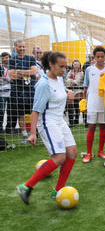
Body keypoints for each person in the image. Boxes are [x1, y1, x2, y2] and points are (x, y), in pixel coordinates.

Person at [16, 51, 77, 204]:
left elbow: (57, 92)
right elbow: (36, 110)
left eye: (65, 66)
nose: (64, 70)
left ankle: (57, 191)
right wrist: (32, 133)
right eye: (61, 66)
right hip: (47, 122)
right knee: (59, 157)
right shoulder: (43, 83)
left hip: (59, 120)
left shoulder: (59, 78)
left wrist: (67, 93)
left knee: (72, 152)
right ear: (51, 64)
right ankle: (26, 187)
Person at [82, 46, 105, 163]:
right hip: (92, 103)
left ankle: (101, 151)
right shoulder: (89, 70)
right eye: (97, 56)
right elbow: (85, 87)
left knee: (103, 126)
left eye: (102, 56)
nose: (99, 59)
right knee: (91, 126)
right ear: (94, 57)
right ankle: (88, 153)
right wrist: (84, 103)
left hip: (103, 103)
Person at [7, 40, 37, 143]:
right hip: (18, 89)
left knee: (35, 111)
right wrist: (27, 72)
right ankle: (24, 135)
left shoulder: (31, 58)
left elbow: (34, 72)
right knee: (20, 114)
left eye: (23, 47)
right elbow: (12, 75)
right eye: (20, 47)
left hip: (30, 89)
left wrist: (19, 71)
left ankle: (35, 133)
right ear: (16, 47)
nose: (22, 49)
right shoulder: (12, 60)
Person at [65, 59, 84, 127]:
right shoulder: (70, 72)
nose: (76, 65)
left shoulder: (81, 73)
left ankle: (76, 118)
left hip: (79, 90)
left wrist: (71, 80)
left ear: (79, 65)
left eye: (77, 64)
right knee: (70, 104)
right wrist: (72, 80)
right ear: (72, 65)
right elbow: (66, 81)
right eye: (75, 64)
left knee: (76, 104)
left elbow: (77, 82)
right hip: (70, 89)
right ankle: (71, 121)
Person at [0, 52, 11, 133]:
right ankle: (0, 128)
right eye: (3, 58)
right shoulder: (0, 67)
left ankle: (9, 128)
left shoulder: (12, 68)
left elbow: (13, 79)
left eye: (7, 57)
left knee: (11, 110)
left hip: (11, 91)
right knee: (1, 110)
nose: (5, 59)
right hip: (1, 92)